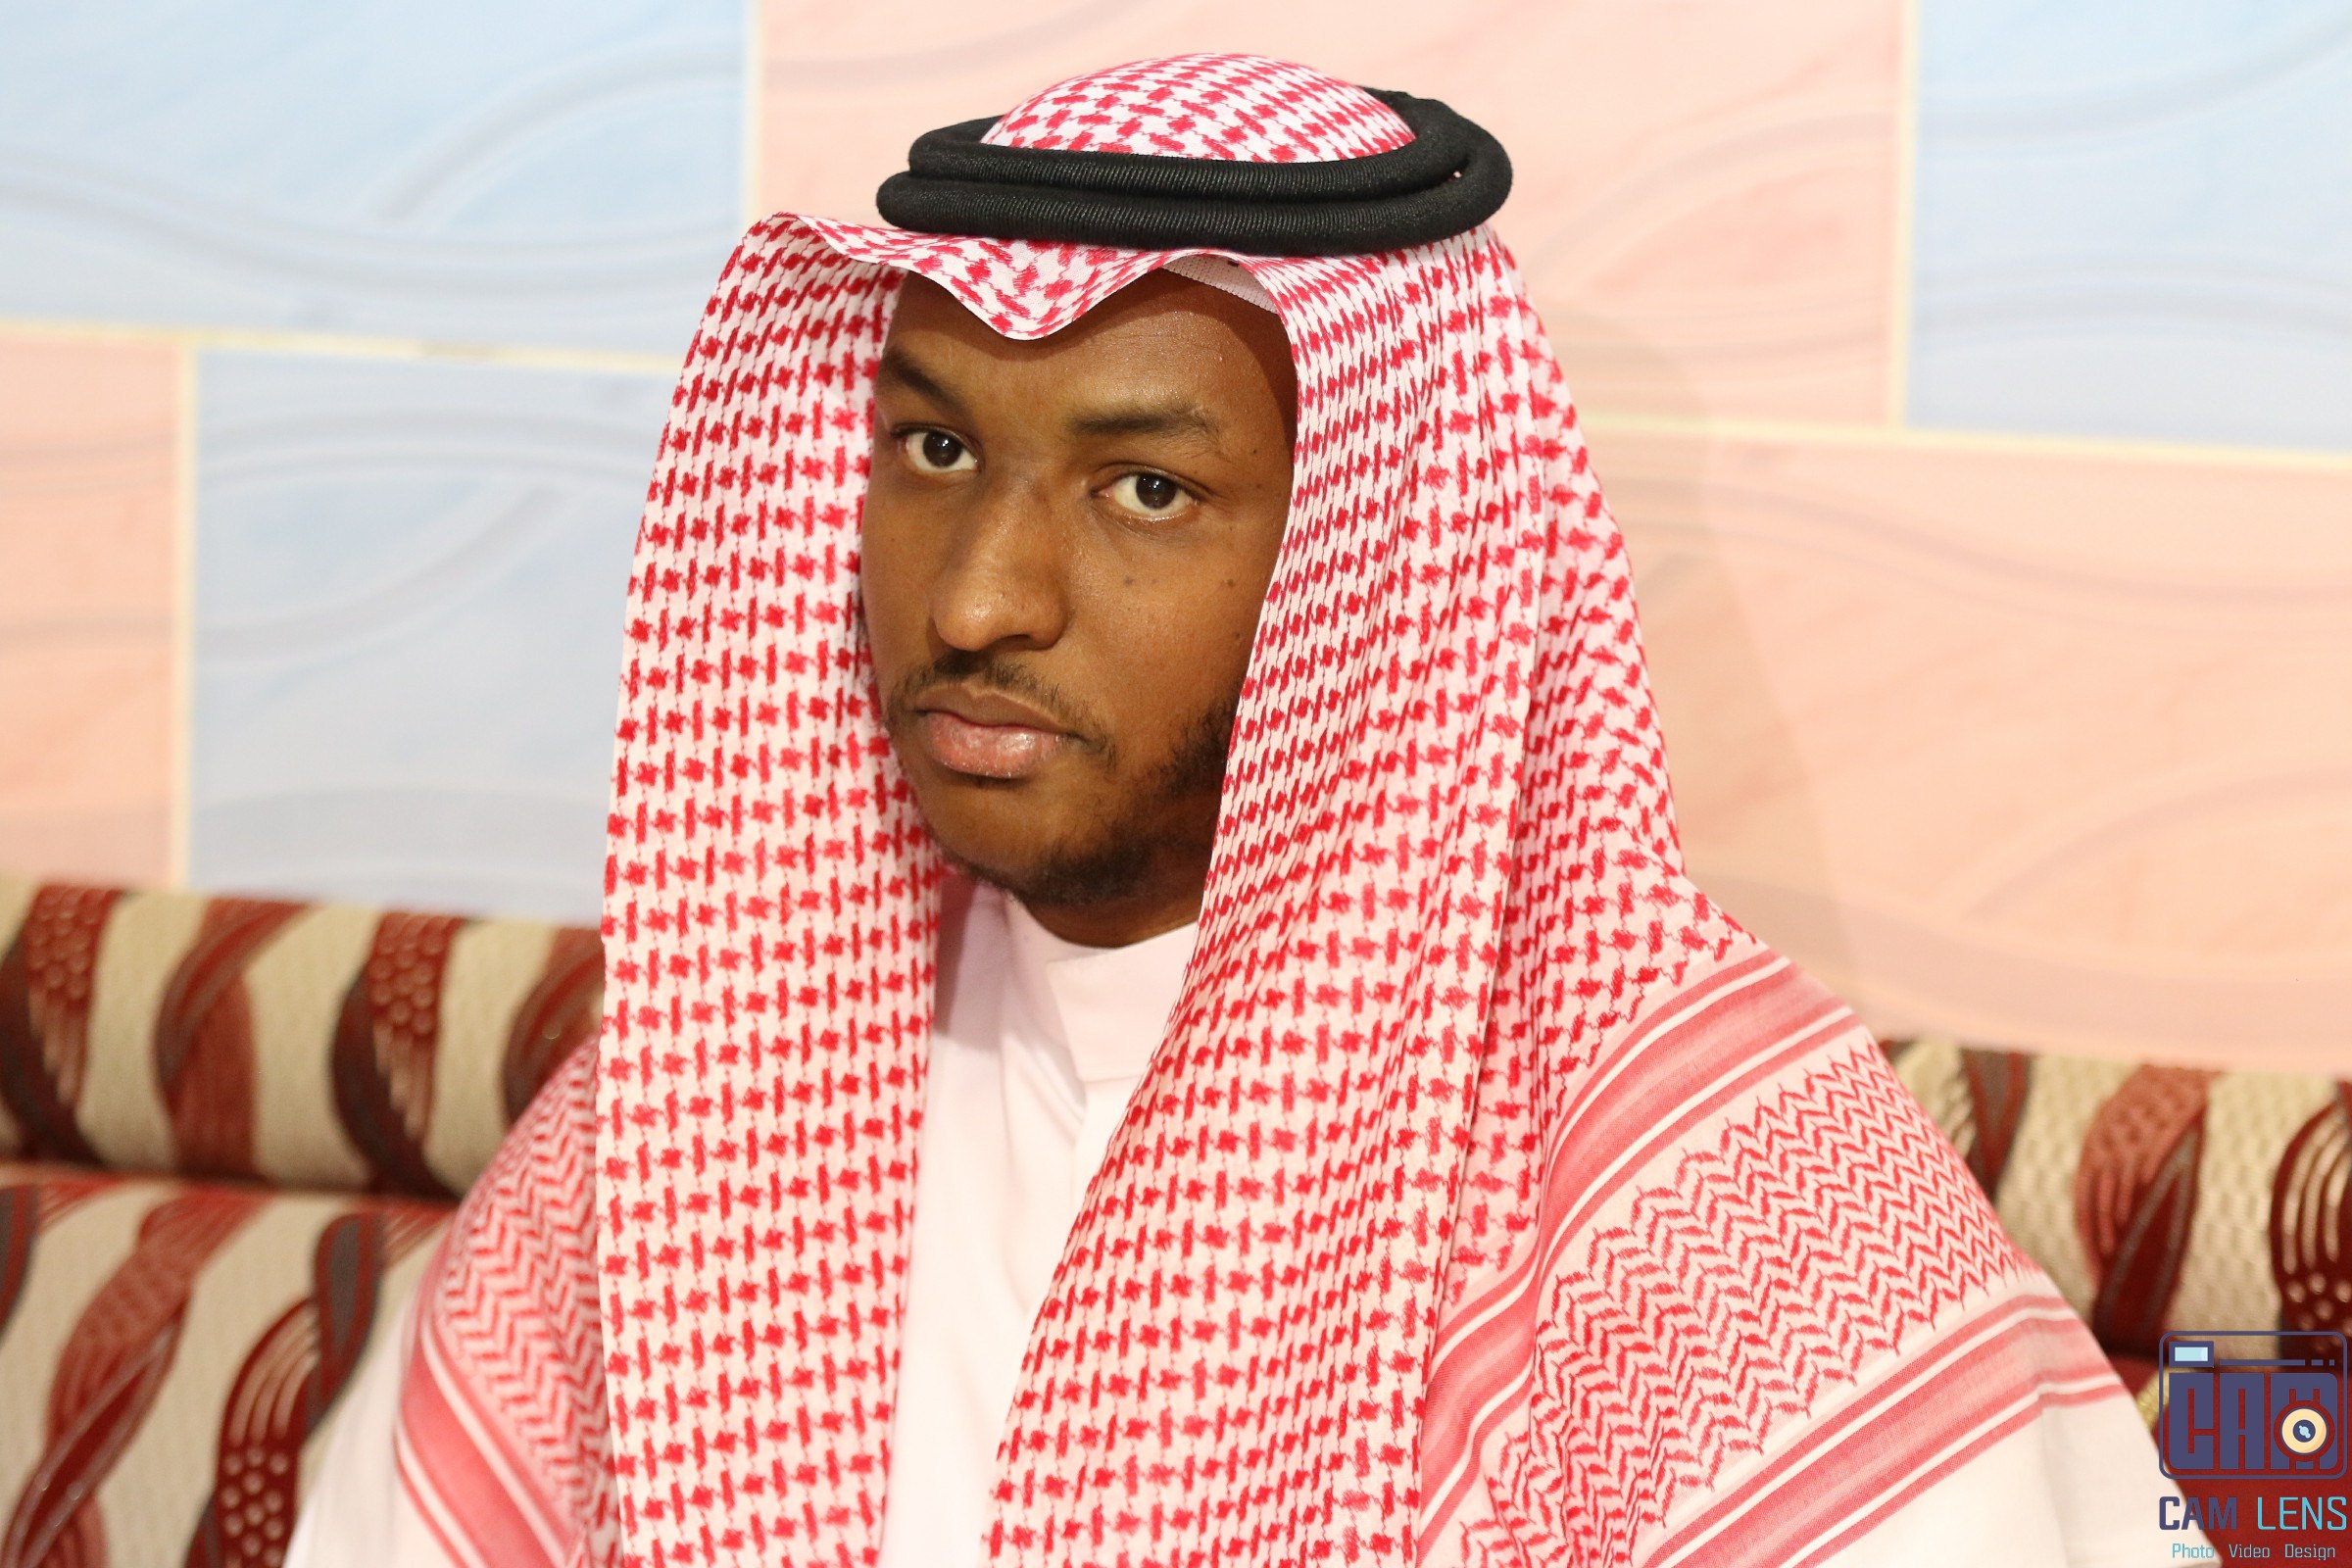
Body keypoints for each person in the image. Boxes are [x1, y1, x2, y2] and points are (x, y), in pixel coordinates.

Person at [288, 53, 2197, 1568]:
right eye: (934, 448)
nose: (976, 598)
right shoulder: (720, 1088)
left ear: (1386, 561)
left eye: (1145, 490)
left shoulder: (1716, 1188)